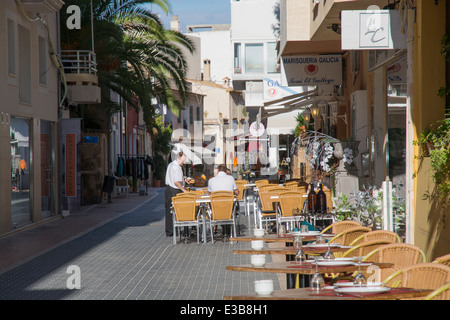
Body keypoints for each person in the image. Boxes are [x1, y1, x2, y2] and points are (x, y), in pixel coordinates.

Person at [207, 164, 239, 239]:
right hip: (228, 207)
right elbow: (236, 191)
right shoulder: (231, 178)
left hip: (216, 208)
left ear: (217, 171)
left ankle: (223, 231)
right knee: (229, 208)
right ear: (226, 171)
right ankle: (226, 232)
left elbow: (209, 193)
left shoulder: (211, 180)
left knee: (219, 209)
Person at [165, 151, 188, 237]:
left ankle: (170, 231)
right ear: (178, 159)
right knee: (177, 211)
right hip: (174, 190)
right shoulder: (177, 167)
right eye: (183, 160)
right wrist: (183, 190)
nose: (184, 162)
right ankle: (175, 230)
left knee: (169, 211)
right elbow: (176, 182)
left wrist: (183, 180)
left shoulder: (171, 165)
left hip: (168, 189)